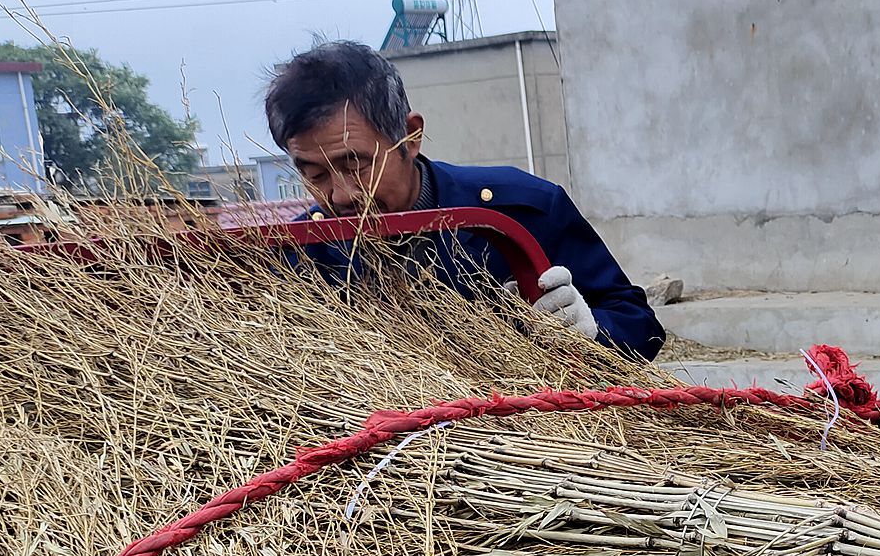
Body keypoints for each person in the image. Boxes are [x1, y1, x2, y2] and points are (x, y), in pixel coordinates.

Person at [264, 41, 664, 362]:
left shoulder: (521, 209)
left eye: (355, 165)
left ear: (410, 135)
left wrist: (591, 331)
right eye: (313, 174)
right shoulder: (300, 255)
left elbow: (642, 326)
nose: (340, 195)